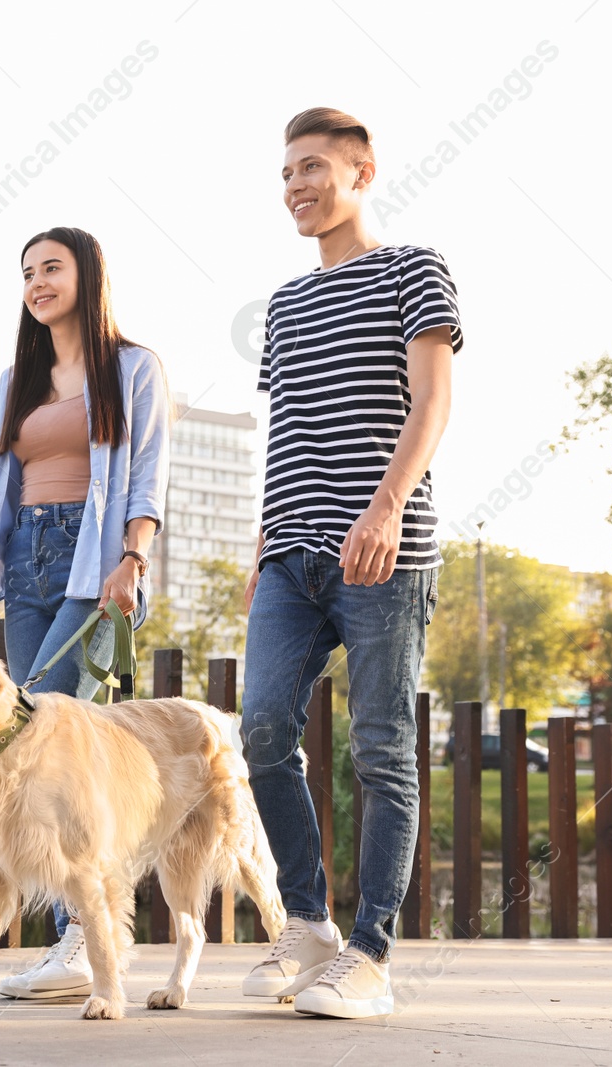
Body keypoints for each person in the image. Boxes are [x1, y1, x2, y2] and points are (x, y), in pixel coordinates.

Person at [239, 108, 461, 1019]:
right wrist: (261, 543)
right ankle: (309, 919)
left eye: (315, 167)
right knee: (259, 730)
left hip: (385, 548)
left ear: (363, 172)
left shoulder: (416, 268)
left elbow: (433, 399)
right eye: (287, 171)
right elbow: (283, 430)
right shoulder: (285, 304)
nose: (297, 185)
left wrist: (387, 505)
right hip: (290, 553)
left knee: (381, 749)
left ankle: (369, 951)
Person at [0, 225, 171, 1000]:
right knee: (24, 743)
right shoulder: (19, 378)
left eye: (51, 267)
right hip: (28, 566)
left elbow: (147, 474)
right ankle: (74, 938)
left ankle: (82, 939)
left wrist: (132, 558)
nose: (38, 282)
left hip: (92, 567)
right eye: (27, 273)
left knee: (63, 746)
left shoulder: (134, 368)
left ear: (87, 273)